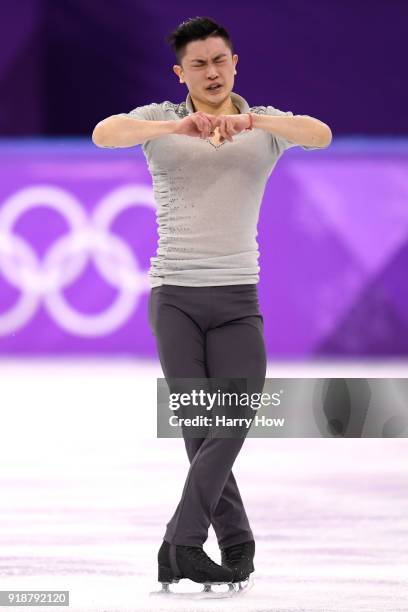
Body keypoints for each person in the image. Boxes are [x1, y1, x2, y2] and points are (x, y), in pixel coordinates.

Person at [92, 16, 332, 591]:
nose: (212, 72)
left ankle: (180, 543)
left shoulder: (264, 127)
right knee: (203, 425)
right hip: (174, 295)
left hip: (237, 298)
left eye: (219, 60)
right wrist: (178, 131)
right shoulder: (160, 121)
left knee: (235, 415)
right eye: (198, 64)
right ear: (181, 74)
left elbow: (319, 133)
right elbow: (104, 132)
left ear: (235, 63)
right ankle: (234, 541)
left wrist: (251, 121)